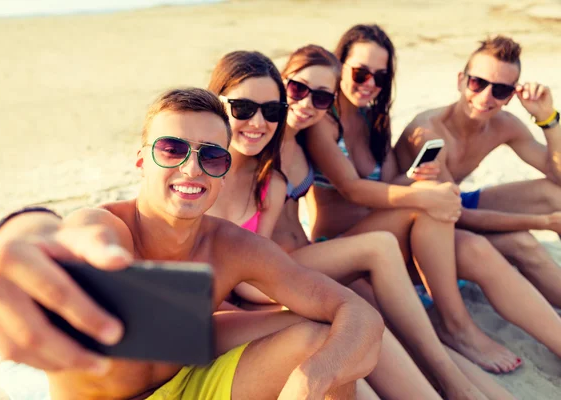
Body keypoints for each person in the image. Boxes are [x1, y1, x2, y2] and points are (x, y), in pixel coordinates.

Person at [0, 88, 385, 400]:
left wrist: (312, 379)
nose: (191, 168)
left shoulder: (231, 246)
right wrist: (21, 230)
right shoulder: (107, 230)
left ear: (223, 171)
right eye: (171, 149)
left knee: (322, 340)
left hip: (188, 385)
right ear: (141, 159)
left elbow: (356, 313)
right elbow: (66, 235)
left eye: (212, 157)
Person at [206, 48, 512, 399]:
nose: (259, 122)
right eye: (244, 108)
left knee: (364, 314)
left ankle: (453, 374)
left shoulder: (271, 179)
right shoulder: (199, 176)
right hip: (241, 303)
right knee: (351, 307)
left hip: (277, 277)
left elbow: (258, 260)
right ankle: (452, 369)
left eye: (321, 97)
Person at [303, 23, 561, 373]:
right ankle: (457, 327)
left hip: (394, 235)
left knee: (479, 247)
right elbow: (353, 189)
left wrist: (548, 119)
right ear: (339, 67)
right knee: (436, 206)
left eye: (380, 77)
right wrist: (542, 223)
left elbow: (394, 181)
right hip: (344, 243)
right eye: (361, 73)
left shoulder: (372, 117)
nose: (370, 85)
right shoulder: (324, 122)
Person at [395, 35, 561, 309]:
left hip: (456, 202)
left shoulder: (504, 125)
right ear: (461, 80)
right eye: (478, 83)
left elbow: (557, 176)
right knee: (522, 242)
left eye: (500, 90)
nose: (486, 98)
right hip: (421, 226)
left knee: (553, 194)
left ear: (511, 95)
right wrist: (544, 222)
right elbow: (459, 215)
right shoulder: (429, 132)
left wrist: (548, 119)